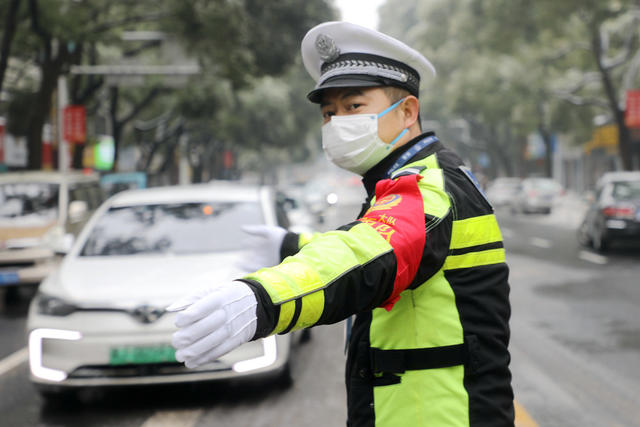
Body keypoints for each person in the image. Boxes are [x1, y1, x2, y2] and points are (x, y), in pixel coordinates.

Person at [169, 21, 514, 426]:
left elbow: (375, 251)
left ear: (407, 111)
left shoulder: (426, 185)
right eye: (328, 113)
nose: (336, 124)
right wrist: (293, 245)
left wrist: (263, 298)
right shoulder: (412, 180)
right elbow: (379, 243)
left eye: (353, 107)